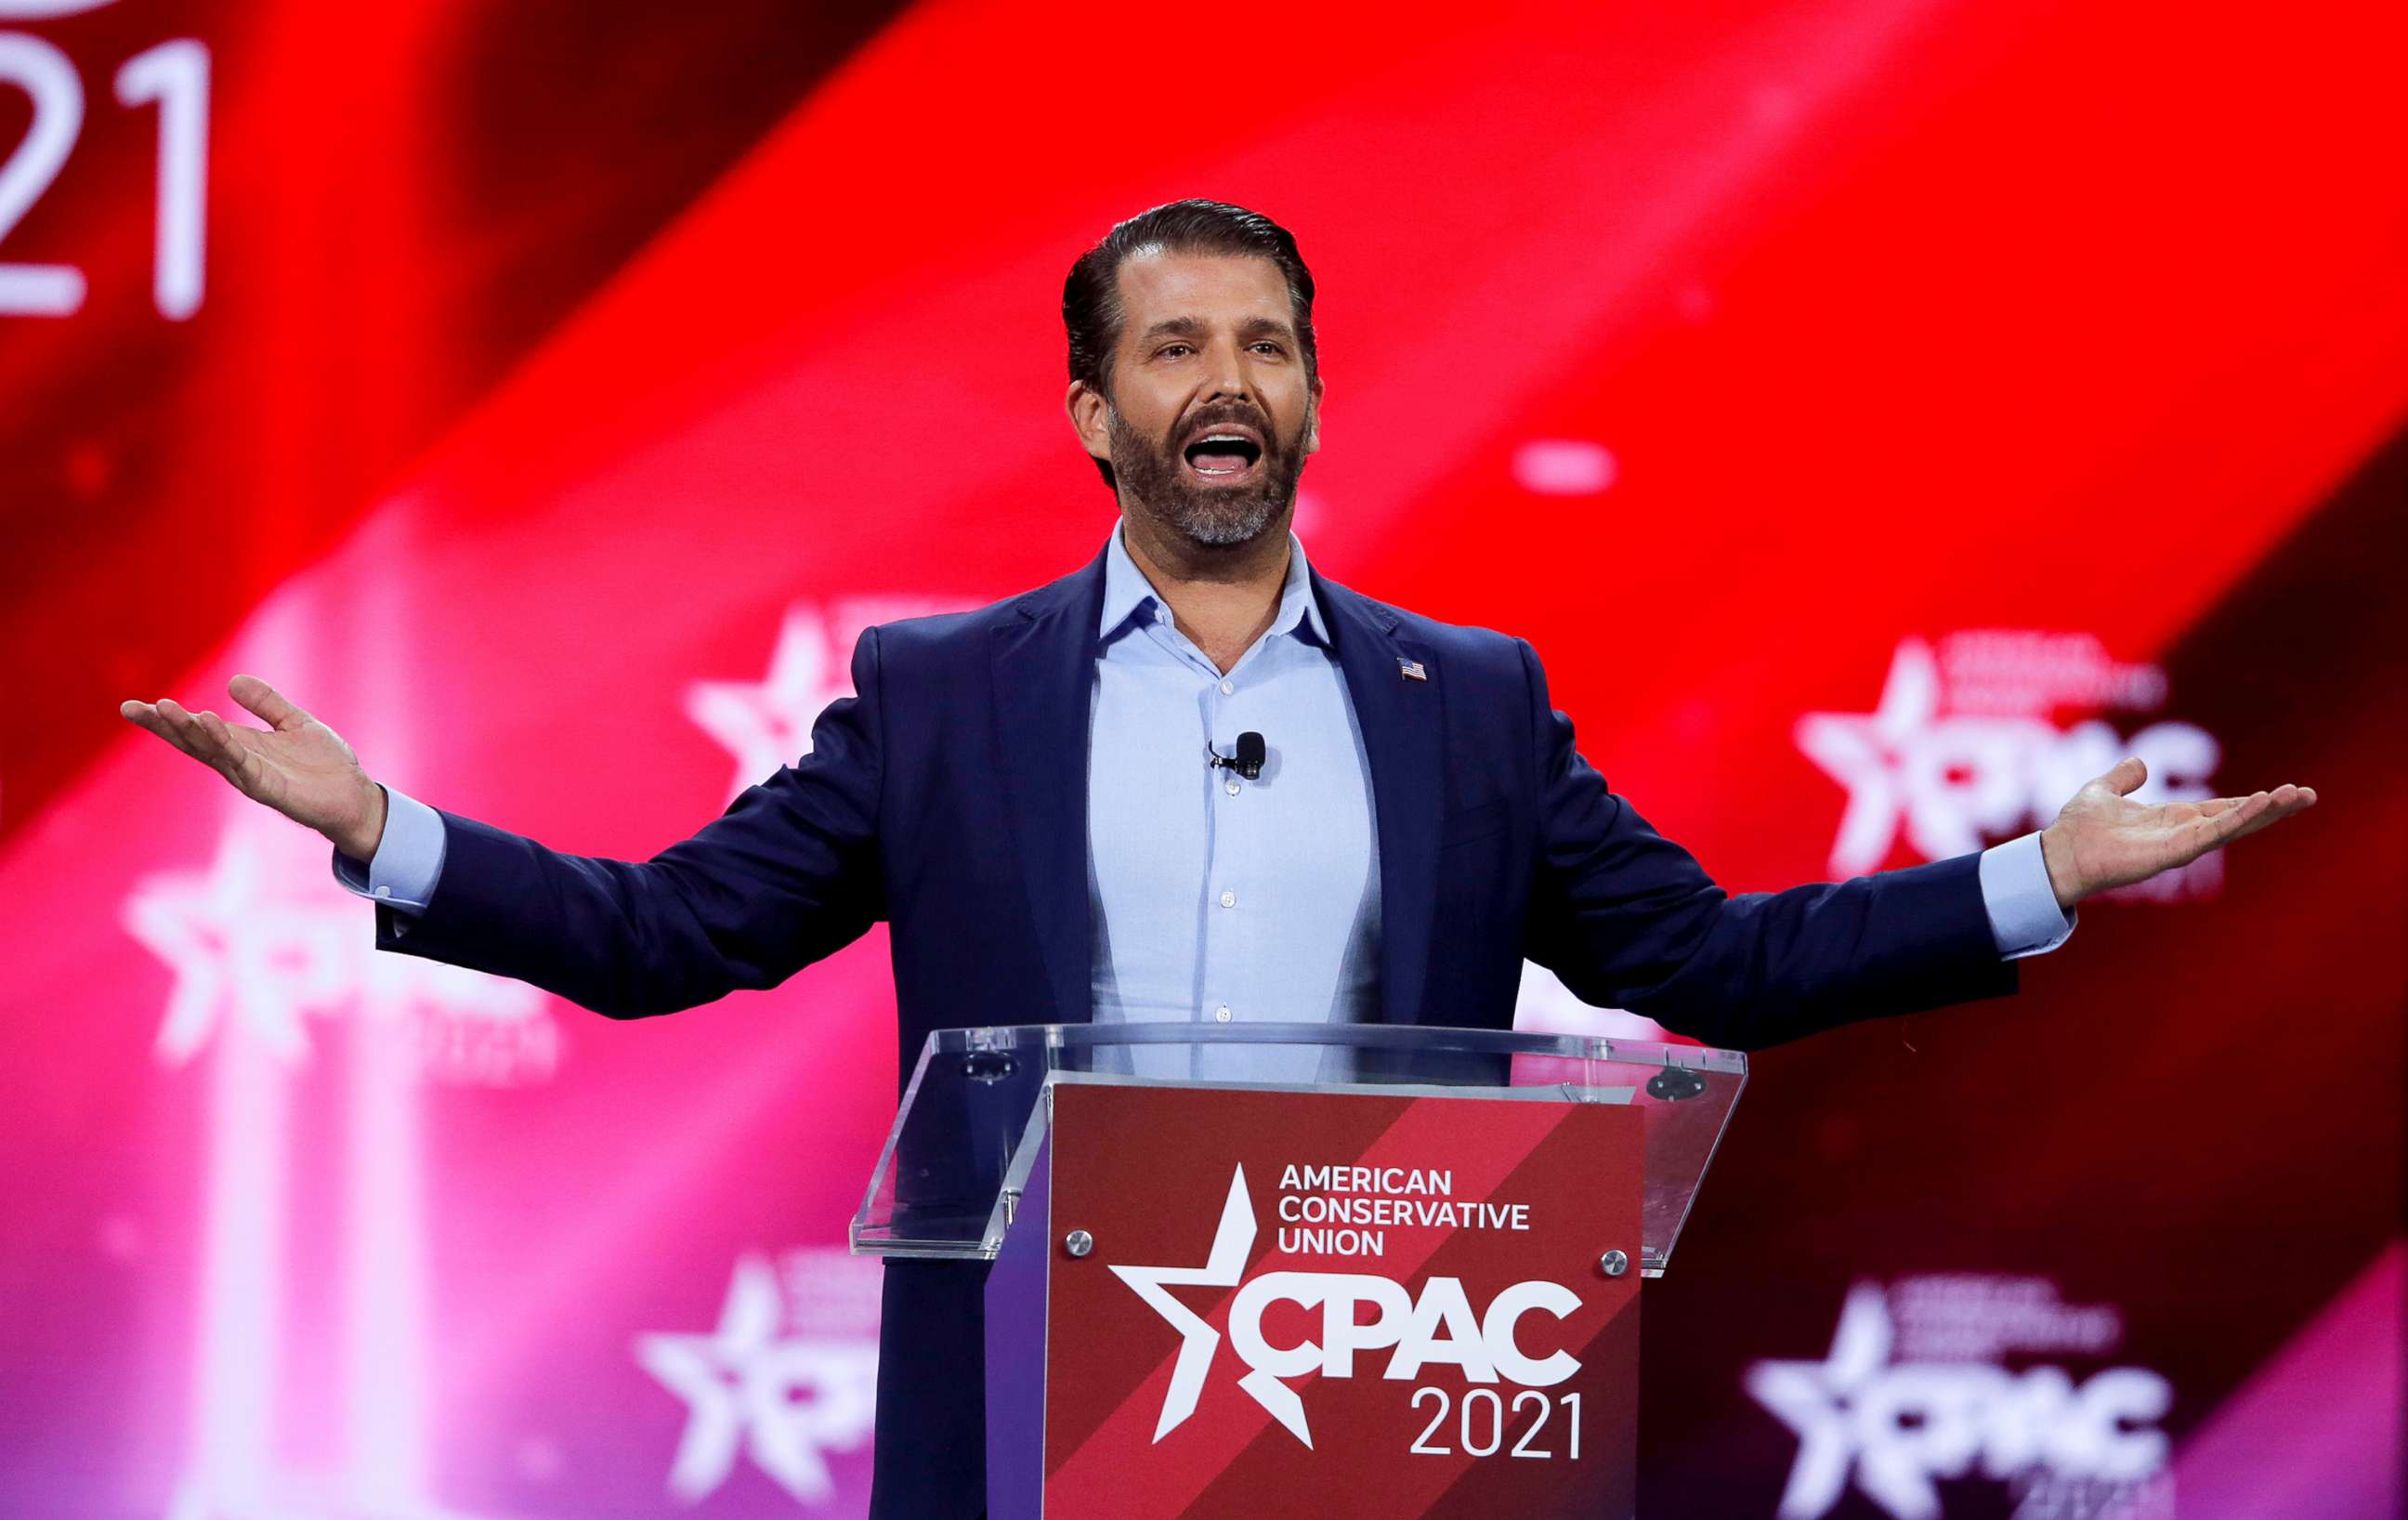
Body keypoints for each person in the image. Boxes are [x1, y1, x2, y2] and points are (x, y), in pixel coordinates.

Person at [120, 199, 2317, 1517]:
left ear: (1314, 395)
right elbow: (666, 931)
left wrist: (2035, 867)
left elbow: (1710, 955)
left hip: (1383, 1409)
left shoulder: (1472, 698)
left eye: (1265, 342)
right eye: (1175, 347)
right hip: (1029, 1440)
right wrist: (386, 828)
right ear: (1098, 414)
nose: (1227, 379)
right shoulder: (945, 694)